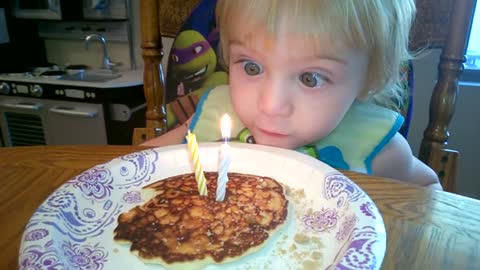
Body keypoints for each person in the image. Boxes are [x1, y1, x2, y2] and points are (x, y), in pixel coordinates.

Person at [143, 0, 442, 190]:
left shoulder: (378, 150)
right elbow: (138, 163)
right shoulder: (212, 116)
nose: (271, 105)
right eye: (251, 67)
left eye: (310, 78)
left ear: (367, 81)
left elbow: (429, 194)